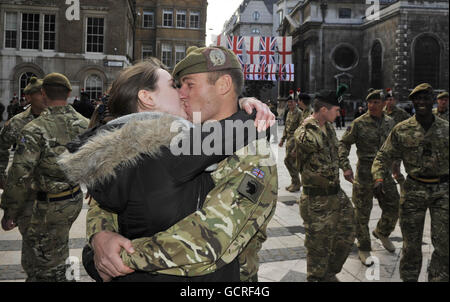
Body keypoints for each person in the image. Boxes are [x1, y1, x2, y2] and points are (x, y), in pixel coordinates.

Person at [59, 51, 278, 282]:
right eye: (177, 86)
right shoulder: (179, 138)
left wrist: (119, 257)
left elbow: (208, 243)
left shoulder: (253, 152)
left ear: (223, 84)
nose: (182, 94)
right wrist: (100, 237)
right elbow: (107, 197)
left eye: (188, 85)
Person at [0, 73, 90, 281]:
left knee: (47, 263)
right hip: (73, 199)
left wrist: (10, 211)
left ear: (43, 93)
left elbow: (20, 174)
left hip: (49, 206)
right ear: (69, 93)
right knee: (50, 252)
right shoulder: (85, 124)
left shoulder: (35, 129)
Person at [372, 83, 449, 282]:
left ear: (432, 101)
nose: (421, 102)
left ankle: (438, 278)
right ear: (413, 102)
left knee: (444, 244)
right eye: (417, 99)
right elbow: (382, 156)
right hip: (414, 189)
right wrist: (378, 177)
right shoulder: (402, 129)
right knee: (411, 246)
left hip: (443, 191)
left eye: (426, 98)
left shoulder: (446, 129)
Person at [294, 89, 355, 282]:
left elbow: (336, 150)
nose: (338, 114)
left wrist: (345, 168)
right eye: (336, 110)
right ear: (322, 109)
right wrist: (311, 123)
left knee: (348, 232)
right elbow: (308, 143)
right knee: (318, 246)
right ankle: (317, 277)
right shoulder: (305, 132)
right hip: (316, 200)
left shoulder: (328, 128)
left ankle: (329, 273)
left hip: (336, 194)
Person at [339, 89, 399, 266]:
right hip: (364, 173)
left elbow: (395, 145)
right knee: (361, 213)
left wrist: (396, 165)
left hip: (384, 173)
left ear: (383, 104)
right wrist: (345, 167)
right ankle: (364, 248)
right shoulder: (359, 123)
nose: (372, 106)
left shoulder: (390, 122)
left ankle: (382, 231)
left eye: (376, 102)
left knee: (394, 205)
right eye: (369, 103)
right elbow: (343, 143)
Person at [0, 77, 47, 278]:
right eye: (39, 93)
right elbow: (1, 149)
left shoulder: (56, 120)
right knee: (30, 241)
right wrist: (1, 175)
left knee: (51, 245)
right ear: (28, 96)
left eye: (46, 92)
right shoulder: (16, 123)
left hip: (54, 194)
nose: (44, 96)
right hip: (27, 195)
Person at [279, 96, 303, 192]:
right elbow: (286, 127)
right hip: (289, 141)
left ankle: (296, 182)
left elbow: (301, 128)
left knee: (288, 161)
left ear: (296, 103)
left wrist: (297, 145)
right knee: (290, 162)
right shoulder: (289, 113)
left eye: (291, 102)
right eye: (288, 102)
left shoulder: (299, 113)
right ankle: (295, 182)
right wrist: (282, 139)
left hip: (294, 141)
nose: (289, 104)